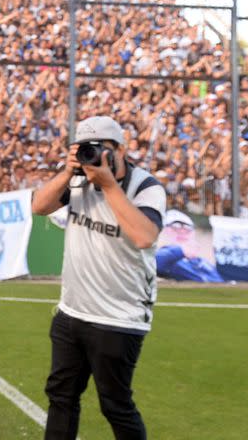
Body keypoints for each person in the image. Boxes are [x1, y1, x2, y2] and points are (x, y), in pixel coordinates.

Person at [32, 116, 166, 440]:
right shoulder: (76, 179)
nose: (91, 156)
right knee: (60, 397)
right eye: (84, 149)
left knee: (115, 404)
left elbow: (145, 236)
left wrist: (107, 184)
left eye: (99, 149)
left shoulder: (145, 187)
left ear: (121, 148)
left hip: (120, 317)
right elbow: (39, 206)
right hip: (72, 312)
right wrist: (67, 171)